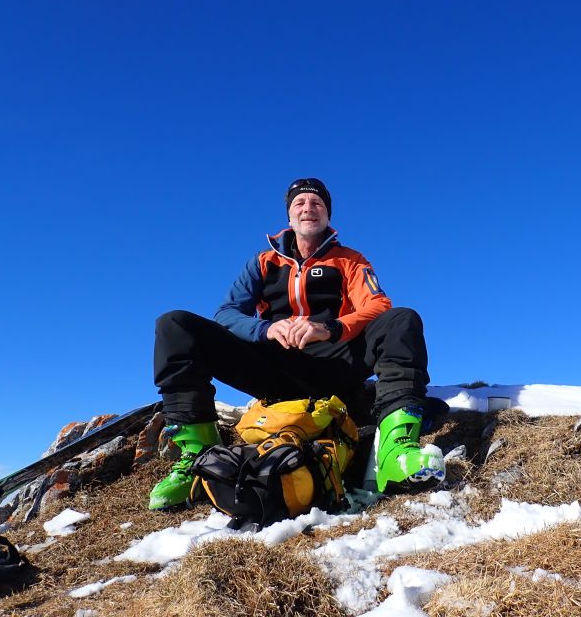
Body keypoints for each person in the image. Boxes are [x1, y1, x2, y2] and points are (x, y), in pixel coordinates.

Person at [149, 177, 444, 509]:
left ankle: (396, 451)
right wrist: (267, 329)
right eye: (299, 203)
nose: (308, 208)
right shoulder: (262, 262)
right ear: (289, 216)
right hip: (273, 369)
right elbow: (227, 313)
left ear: (328, 215)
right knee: (174, 325)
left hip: (335, 364)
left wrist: (330, 328)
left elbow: (377, 305)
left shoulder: (350, 259)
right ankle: (198, 460)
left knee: (402, 319)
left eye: (317, 203)